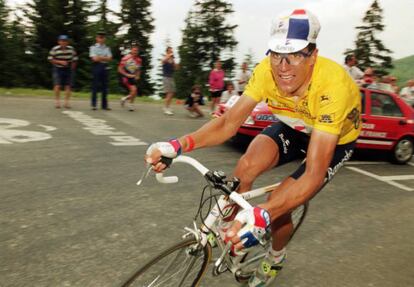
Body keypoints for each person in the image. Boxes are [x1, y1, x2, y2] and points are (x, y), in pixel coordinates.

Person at [145, 9, 361, 287]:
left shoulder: (333, 85)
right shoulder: (265, 72)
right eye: (276, 54)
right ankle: (231, 228)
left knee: (281, 205)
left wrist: (266, 213)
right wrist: (178, 145)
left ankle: (275, 256)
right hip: (294, 127)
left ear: (313, 56)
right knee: (245, 167)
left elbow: (314, 173)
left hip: (332, 138)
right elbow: (227, 124)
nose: (283, 66)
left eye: (295, 54)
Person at [48, 35, 78, 109]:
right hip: (58, 68)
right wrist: (60, 62)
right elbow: (50, 58)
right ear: (59, 42)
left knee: (68, 86)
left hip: (68, 69)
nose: (63, 42)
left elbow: (75, 58)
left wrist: (73, 67)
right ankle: (57, 102)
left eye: (65, 41)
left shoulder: (71, 49)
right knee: (57, 85)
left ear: (67, 42)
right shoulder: (55, 49)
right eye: (62, 41)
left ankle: (66, 102)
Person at [89, 31, 112, 110]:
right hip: (96, 66)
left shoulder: (107, 48)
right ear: (97, 38)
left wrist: (100, 57)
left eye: (103, 37)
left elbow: (109, 58)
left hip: (105, 66)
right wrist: (104, 57)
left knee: (105, 86)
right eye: (100, 37)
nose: (101, 39)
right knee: (95, 85)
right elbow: (94, 58)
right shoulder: (93, 47)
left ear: (104, 39)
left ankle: (104, 105)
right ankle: (94, 104)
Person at [118, 44, 142, 111]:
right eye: (134, 50)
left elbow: (138, 69)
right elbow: (119, 69)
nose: (135, 52)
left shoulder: (139, 60)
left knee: (134, 92)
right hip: (125, 76)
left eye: (136, 51)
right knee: (134, 90)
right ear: (131, 50)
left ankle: (124, 99)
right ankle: (130, 104)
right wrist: (126, 75)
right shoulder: (126, 58)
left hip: (132, 77)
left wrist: (138, 75)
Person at [162, 47, 178, 115]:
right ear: (167, 51)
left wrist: (175, 62)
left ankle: (168, 106)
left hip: (171, 77)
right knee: (169, 93)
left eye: (172, 50)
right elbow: (162, 61)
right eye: (170, 51)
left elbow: (176, 68)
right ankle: (166, 108)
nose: (171, 52)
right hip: (166, 77)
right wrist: (168, 56)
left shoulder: (172, 59)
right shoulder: (165, 57)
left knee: (172, 92)